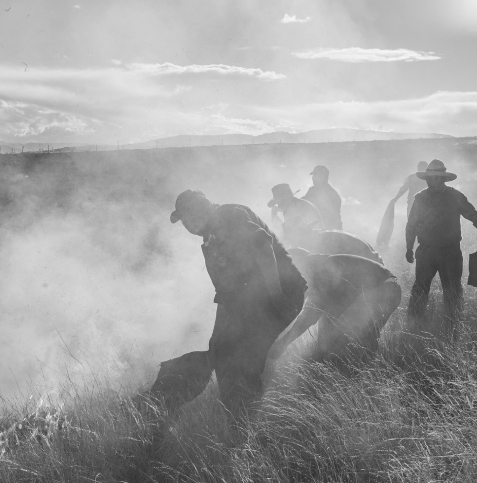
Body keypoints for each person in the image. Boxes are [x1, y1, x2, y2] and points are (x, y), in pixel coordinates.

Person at [166, 190, 306, 418]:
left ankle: (250, 424)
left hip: (278, 294)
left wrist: (278, 296)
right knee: (222, 352)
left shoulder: (230, 215)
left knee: (242, 360)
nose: (188, 226)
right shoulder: (210, 236)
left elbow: (263, 248)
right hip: (253, 301)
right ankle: (239, 417)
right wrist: (216, 336)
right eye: (183, 222)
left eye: (189, 218)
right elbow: (226, 291)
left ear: (201, 209)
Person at [267, 250, 401, 365]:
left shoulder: (322, 270)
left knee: (352, 333)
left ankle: (353, 372)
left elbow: (311, 314)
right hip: (388, 290)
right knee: (362, 336)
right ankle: (358, 371)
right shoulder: (322, 265)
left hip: (384, 290)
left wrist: (284, 342)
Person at [405, 160, 477, 331]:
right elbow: (411, 225)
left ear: (441, 178)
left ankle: (453, 326)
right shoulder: (420, 198)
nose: (429, 181)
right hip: (426, 251)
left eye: (433, 177)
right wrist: (409, 248)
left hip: (449, 252)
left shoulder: (455, 196)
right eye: (428, 178)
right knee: (420, 289)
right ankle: (413, 325)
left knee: (452, 290)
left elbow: (472, 214)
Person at [302, 165, 343, 230]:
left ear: (323, 177)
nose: (313, 178)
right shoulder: (312, 190)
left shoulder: (332, 195)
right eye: (313, 175)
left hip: (328, 232)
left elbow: (332, 219)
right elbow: (303, 203)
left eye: (316, 175)